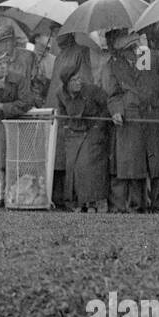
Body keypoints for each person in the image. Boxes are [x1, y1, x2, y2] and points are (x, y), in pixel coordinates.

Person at [102, 32, 159, 213]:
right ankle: (137, 209)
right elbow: (113, 95)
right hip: (130, 123)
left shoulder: (154, 57)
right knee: (134, 168)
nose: (132, 52)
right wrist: (117, 111)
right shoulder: (113, 65)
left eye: (133, 48)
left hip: (155, 121)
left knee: (158, 169)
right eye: (126, 50)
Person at [0, 48, 36, 205]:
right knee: (1, 160)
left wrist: (5, 107)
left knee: (21, 159)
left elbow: (26, 102)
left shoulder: (19, 78)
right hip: (1, 125)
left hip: (21, 124)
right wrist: (5, 109)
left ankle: (23, 195)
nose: (3, 67)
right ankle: (2, 196)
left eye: (4, 63)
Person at [54, 59, 109, 212]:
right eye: (74, 80)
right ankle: (77, 202)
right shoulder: (60, 93)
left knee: (86, 166)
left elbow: (107, 104)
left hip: (92, 132)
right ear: (66, 83)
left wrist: (99, 125)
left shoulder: (92, 90)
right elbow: (62, 111)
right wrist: (65, 126)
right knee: (72, 167)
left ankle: (91, 202)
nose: (78, 82)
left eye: (79, 79)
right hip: (73, 133)